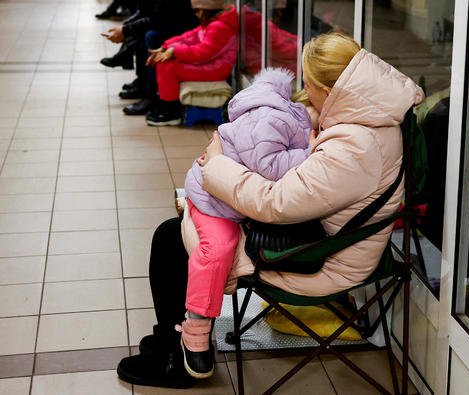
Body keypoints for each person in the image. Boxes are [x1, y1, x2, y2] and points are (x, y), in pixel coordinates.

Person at [116, 32, 424, 389]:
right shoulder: (370, 114)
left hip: (318, 257)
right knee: (186, 229)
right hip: (326, 230)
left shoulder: (355, 148)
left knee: (172, 238)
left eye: (310, 86)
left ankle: (177, 357)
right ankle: (174, 337)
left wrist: (216, 166)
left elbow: (274, 203)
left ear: (331, 89)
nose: (306, 93)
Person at [178, 67, 313, 379]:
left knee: (226, 252)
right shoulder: (277, 119)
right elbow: (266, 165)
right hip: (214, 200)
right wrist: (310, 153)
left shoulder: (277, 114)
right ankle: (195, 328)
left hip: (229, 195)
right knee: (217, 251)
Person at [145, 1, 238, 126]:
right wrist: (165, 47)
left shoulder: (220, 27)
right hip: (212, 65)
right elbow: (190, 36)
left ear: (207, 10)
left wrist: (174, 51)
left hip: (217, 69)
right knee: (165, 62)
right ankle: (167, 104)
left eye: (198, 11)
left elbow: (202, 53)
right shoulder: (213, 23)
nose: (196, 14)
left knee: (168, 67)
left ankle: (171, 112)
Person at [100, 0, 197, 111]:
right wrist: (125, 27)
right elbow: (145, 12)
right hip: (173, 19)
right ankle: (142, 81)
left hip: (184, 22)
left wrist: (126, 30)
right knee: (143, 32)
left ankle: (152, 93)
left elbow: (159, 18)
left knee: (151, 35)